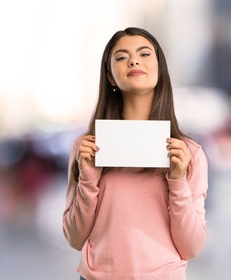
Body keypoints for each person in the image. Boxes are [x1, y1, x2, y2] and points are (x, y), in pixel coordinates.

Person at [62, 27, 209, 280]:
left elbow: (192, 247)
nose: (133, 60)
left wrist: (177, 180)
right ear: (109, 76)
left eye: (144, 53)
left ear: (159, 67)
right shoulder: (86, 148)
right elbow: (75, 238)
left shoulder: (188, 153)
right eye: (121, 57)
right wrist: (88, 178)